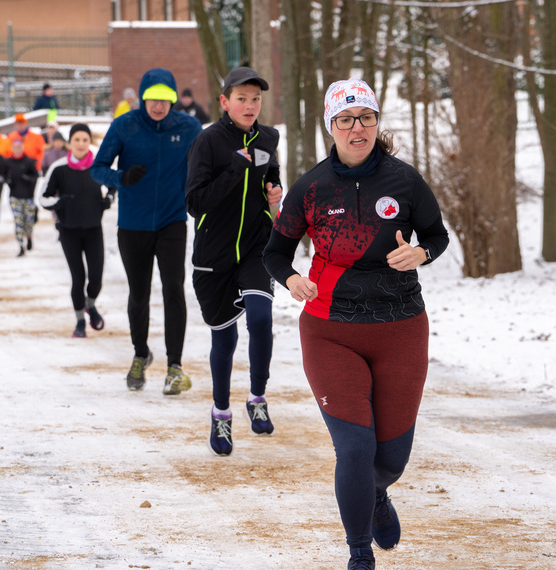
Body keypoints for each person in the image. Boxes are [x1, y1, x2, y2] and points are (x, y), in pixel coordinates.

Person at [262, 78, 449, 570]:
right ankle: (359, 552)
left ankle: (378, 494)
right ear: (332, 127)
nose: (357, 128)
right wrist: (291, 278)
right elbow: (275, 251)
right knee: (355, 445)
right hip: (330, 328)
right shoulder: (312, 186)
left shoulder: (404, 180)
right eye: (345, 120)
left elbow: (436, 232)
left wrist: (422, 251)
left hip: (400, 326)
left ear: (376, 122)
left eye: (365, 117)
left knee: (389, 460)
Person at [185, 66, 282, 456]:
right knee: (224, 338)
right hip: (214, 256)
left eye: (255, 99)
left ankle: (257, 398)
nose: (249, 105)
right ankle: (221, 414)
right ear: (224, 102)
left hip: (256, 247)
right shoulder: (207, 143)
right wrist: (236, 169)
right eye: (241, 98)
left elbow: (271, 178)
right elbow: (195, 203)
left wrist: (274, 192)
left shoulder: (269, 138)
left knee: (261, 318)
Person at [91, 68, 201, 394]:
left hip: (172, 221)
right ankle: (141, 354)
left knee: (173, 290)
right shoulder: (124, 126)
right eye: (152, 99)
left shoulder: (189, 127)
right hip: (132, 225)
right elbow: (97, 168)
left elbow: (207, 162)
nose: (158, 106)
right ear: (142, 98)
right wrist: (120, 178)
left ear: (173, 100)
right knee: (138, 294)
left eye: (165, 100)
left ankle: (174, 367)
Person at [39, 123, 112, 338]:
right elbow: (42, 197)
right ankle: (80, 321)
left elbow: (113, 186)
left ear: (90, 142)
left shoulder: (99, 166)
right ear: (70, 143)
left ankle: (90, 304)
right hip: (69, 230)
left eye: (85, 140)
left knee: (96, 277)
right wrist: (58, 203)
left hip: (93, 229)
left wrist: (108, 198)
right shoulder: (59, 168)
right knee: (78, 277)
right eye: (77, 140)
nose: (81, 144)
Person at [6, 139, 39, 257]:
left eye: (19, 147)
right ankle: (21, 246)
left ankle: (29, 236)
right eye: (15, 147)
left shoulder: (29, 161)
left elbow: (36, 176)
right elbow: (4, 175)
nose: (17, 150)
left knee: (28, 222)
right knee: (18, 221)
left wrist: (29, 179)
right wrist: (8, 181)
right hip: (14, 197)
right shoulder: (8, 162)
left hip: (28, 197)